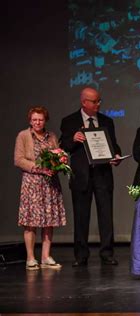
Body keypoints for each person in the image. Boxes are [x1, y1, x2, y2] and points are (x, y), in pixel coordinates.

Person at [60, 87, 122, 267]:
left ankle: (107, 253)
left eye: (99, 100)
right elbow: (64, 146)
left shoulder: (107, 121)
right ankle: (81, 255)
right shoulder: (69, 121)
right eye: (94, 101)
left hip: (102, 174)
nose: (98, 104)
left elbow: (113, 145)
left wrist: (116, 156)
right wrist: (73, 139)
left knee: (106, 216)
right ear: (84, 102)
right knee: (81, 217)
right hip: (81, 175)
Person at [14, 106, 66, 270]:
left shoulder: (51, 137)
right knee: (30, 222)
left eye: (41, 119)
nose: (38, 122)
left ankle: (45, 256)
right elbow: (19, 160)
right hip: (32, 184)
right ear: (30, 120)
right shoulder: (23, 136)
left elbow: (58, 155)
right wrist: (39, 168)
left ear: (45, 120)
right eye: (35, 119)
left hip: (50, 184)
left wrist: (59, 163)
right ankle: (30, 257)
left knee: (48, 221)